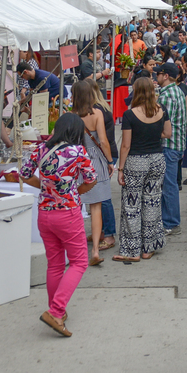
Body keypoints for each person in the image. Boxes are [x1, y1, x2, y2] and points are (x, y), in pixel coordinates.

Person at [21, 113, 97, 335]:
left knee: (54, 264)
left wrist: (46, 188)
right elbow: (91, 179)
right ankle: (56, 312)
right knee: (79, 262)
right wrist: (74, 192)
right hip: (68, 213)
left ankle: (56, 311)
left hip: (44, 213)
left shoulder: (41, 149)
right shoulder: (78, 152)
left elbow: (24, 175)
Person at [117, 77, 171, 264]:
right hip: (157, 159)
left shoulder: (130, 115)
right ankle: (149, 247)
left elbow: (125, 145)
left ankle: (132, 249)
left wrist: (120, 169)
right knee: (152, 202)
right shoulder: (161, 110)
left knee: (132, 205)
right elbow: (167, 133)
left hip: (135, 161)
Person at [71, 80, 116, 266]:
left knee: (78, 206)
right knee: (96, 207)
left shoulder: (71, 115)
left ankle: (77, 248)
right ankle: (95, 250)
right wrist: (110, 161)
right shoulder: (97, 113)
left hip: (77, 160)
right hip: (95, 160)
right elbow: (104, 141)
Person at [154, 64, 187, 233]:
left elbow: (160, 123)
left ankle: (171, 221)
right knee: (170, 183)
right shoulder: (178, 91)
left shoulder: (167, 95)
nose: (156, 77)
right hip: (175, 144)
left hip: (169, 145)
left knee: (168, 185)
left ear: (166, 76)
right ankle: (169, 219)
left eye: (158, 74)